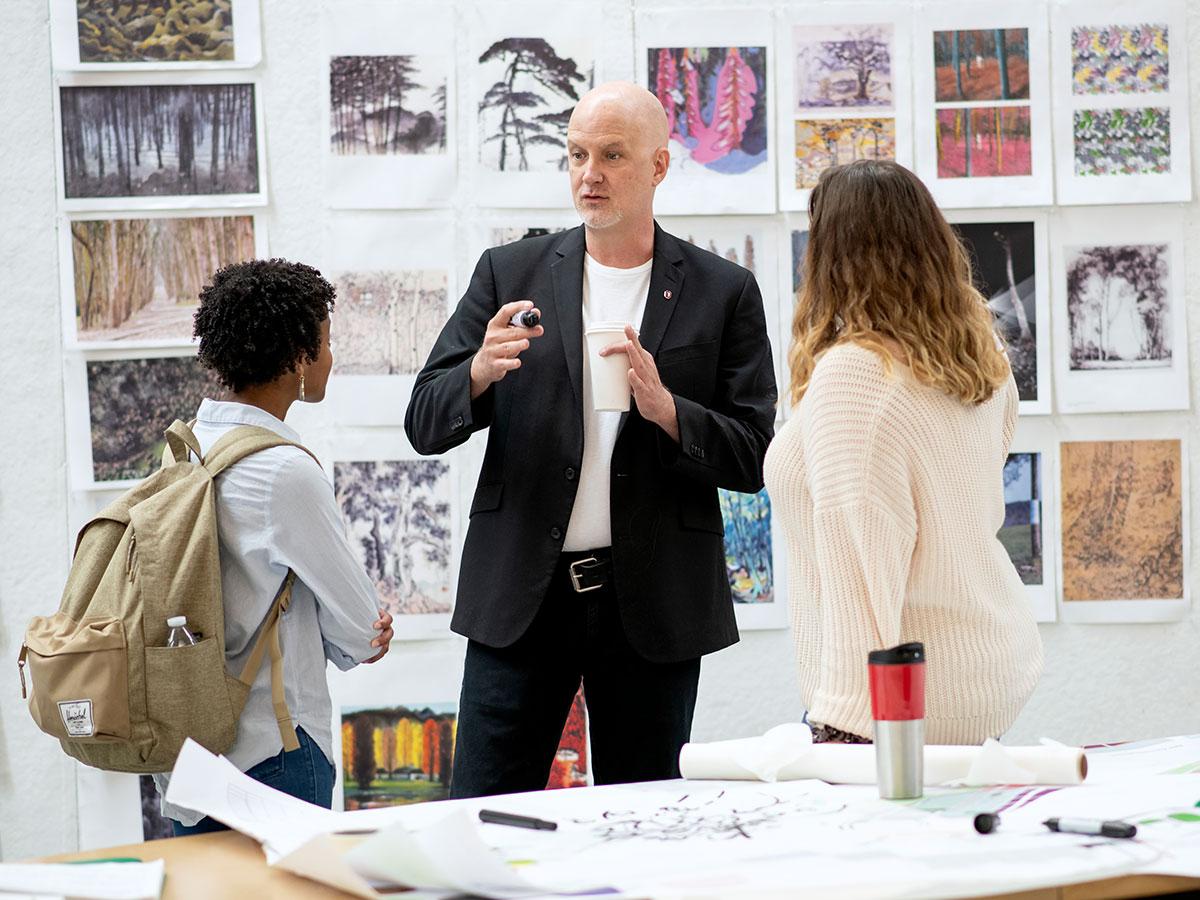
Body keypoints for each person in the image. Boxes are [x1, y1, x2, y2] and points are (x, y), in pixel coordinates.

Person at [405, 82, 776, 797]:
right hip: (522, 598)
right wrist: (479, 373)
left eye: (611, 155)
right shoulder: (509, 273)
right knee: (478, 812)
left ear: (659, 166)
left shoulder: (721, 290)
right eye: (576, 154)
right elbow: (425, 418)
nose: (589, 174)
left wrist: (669, 411)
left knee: (644, 824)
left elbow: (756, 453)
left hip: (653, 605)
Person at [765, 160, 1043, 745]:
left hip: (906, 698)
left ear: (830, 253)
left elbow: (860, 553)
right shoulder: (977, 354)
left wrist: (843, 724)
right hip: (986, 662)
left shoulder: (858, 375)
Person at [154, 259, 395, 834]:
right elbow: (363, 632)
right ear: (299, 358)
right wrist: (362, 635)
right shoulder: (282, 472)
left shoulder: (185, 451)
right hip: (274, 752)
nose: (331, 359)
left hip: (193, 756)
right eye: (327, 343)